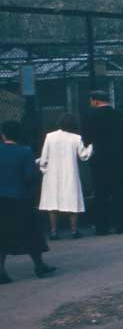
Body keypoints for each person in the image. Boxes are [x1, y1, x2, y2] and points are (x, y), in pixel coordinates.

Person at [0, 120, 55, 283]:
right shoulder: (25, 152)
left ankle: (1, 272)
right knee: (32, 233)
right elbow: (30, 177)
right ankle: (39, 265)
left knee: (2, 236)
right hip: (20, 198)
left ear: (3, 135)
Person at [82, 90, 123, 235]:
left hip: (99, 159)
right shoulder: (119, 115)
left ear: (95, 101)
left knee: (100, 194)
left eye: (91, 101)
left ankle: (102, 227)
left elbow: (86, 139)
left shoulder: (90, 116)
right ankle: (121, 225)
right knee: (118, 193)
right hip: (117, 159)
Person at [38, 113, 92, 239]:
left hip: (52, 174)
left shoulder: (50, 136)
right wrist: (91, 147)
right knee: (72, 201)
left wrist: (44, 170)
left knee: (52, 203)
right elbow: (84, 156)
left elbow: (44, 157)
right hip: (70, 174)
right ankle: (74, 230)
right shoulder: (76, 138)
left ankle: (53, 231)